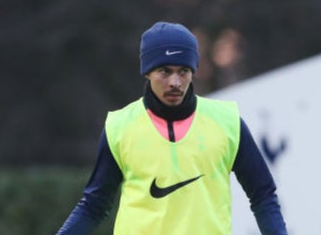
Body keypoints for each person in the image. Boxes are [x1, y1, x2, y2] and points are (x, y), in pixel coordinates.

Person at [56, 21, 288, 235]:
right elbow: (93, 206)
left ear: (193, 72)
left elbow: (263, 196)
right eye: (165, 71)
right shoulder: (120, 126)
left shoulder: (228, 122)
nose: (175, 82)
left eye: (183, 71)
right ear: (147, 72)